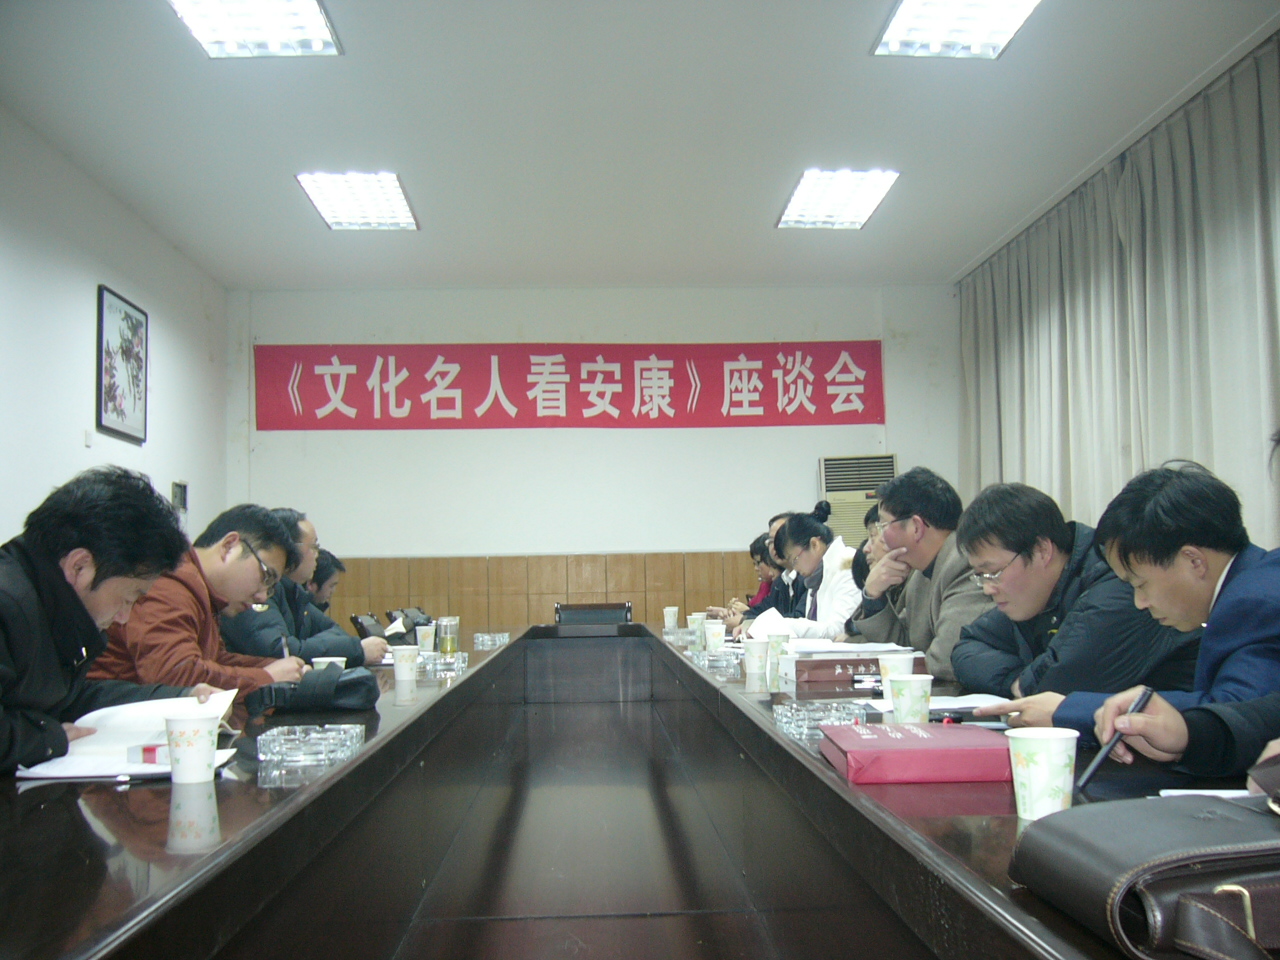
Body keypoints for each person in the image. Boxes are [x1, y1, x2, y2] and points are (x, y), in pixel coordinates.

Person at [978, 464, 1280, 732]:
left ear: (1194, 561)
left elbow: (1231, 718)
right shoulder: (1253, 581)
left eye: (1141, 584)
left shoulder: (1252, 604)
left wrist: (1069, 710)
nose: (1139, 603)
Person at [0, 467, 215, 774]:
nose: (124, 618)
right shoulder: (8, 603)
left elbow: (68, 698)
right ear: (80, 567)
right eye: (129, 598)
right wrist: (48, 738)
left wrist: (182, 698)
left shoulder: (54, 603)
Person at [951, 483, 1199, 699]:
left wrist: (1028, 684)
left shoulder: (1117, 584)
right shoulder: (1032, 595)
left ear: (1042, 551)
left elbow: (1056, 683)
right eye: (981, 576)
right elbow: (967, 647)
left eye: (993, 572)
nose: (988, 588)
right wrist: (1016, 681)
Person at [89, 504, 308, 713]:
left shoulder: (201, 589)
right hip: (110, 721)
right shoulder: (171, 582)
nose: (262, 595)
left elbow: (214, 661)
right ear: (229, 546)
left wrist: (282, 669)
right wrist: (266, 677)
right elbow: (174, 674)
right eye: (266, 576)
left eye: (271, 586)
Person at [847, 467, 993, 679]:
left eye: (884, 525)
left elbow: (946, 662)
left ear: (916, 527)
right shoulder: (919, 574)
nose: (881, 538)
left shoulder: (965, 564)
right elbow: (902, 647)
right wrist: (873, 597)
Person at [220, 509, 386, 667]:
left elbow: (335, 631)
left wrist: (304, 646)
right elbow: (280, 652)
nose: (317, 555)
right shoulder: (257, 592)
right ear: (288, 548)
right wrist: (355, 649)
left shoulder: (294, 592)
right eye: (313, 547)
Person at [770, 501, 861, 639]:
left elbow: (840, 629)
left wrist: (784, 624)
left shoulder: (847, 564)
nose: (795, 568)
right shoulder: (816, 575)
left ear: (814, 545)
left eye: (794, 560)